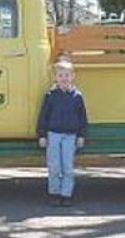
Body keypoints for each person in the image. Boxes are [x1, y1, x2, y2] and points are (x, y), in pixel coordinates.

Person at [37, 59, 88, 207]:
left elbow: (82, 117)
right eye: (60, 75)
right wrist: (42, 135)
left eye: (67, 75)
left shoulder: (77, 96)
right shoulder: (50, 95)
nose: (64, 78)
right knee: (54, 166)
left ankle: (66, 195)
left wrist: (81, 135)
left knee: (67, 167)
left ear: (73, 76)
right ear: (55, 77)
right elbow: (43, 116)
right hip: (53, 134)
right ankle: (54, 193)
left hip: (70, 136)